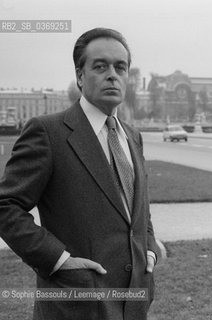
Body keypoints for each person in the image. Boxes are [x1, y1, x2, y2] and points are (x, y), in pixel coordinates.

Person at [0, 28, 161, 320]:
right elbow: (6, 206)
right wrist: (57, 260)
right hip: (76, 305)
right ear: (80, 76)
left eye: (120, 67)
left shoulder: (133, 136)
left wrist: (149, 250)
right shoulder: (48, 132)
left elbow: (139, 212)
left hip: (135, 302)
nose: (112, 74)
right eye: (100, 66)